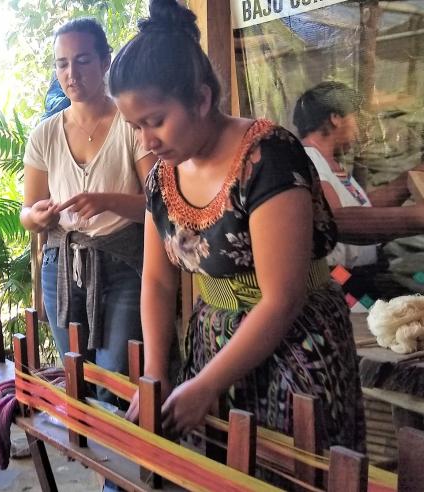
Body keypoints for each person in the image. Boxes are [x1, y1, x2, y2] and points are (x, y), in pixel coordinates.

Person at [109, 0, 365, 453]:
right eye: (135, 126)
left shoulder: (268, 156)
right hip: (213, 345)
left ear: (202, 98)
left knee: (293, 468)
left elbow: (282, 297)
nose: (147, 140)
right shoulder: (161, 177)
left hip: (294, 347)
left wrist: (207, 384)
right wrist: (155, 372)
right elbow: (156, 280)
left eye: (156, 121)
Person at [20, 18, 157, 403]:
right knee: (75, 370)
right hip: (60, 264)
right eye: (62, 63)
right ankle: (89, 453)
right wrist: (40, 216)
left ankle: (114, 454)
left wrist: (107, 201)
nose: (71, 73)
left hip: (123, 260)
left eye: (82, 61)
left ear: (105, 61)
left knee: (116, 373)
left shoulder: (131, 126)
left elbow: (158, 203)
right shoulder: (44, 134)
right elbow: (26, 213)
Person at [294, 82, 424, 295]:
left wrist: (406, 181)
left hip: (357, 276)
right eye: (356, 117)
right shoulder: (308, 158)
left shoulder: (327, 162)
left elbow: (361, 209)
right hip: (339, 279)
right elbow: (335, 218)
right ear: (335, 118)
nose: (359, 128)